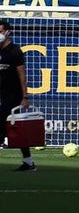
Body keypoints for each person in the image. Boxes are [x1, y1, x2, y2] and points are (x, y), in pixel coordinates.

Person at [0, 19, 34, 171]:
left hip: (13, 96)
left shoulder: (15, 51)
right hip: (1, 95)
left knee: (11, 128)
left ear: (8, 32)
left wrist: (25, 97)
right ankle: (28, 162)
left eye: (0, 32)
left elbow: (22, 74)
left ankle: (28, 162)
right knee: (13, 131)